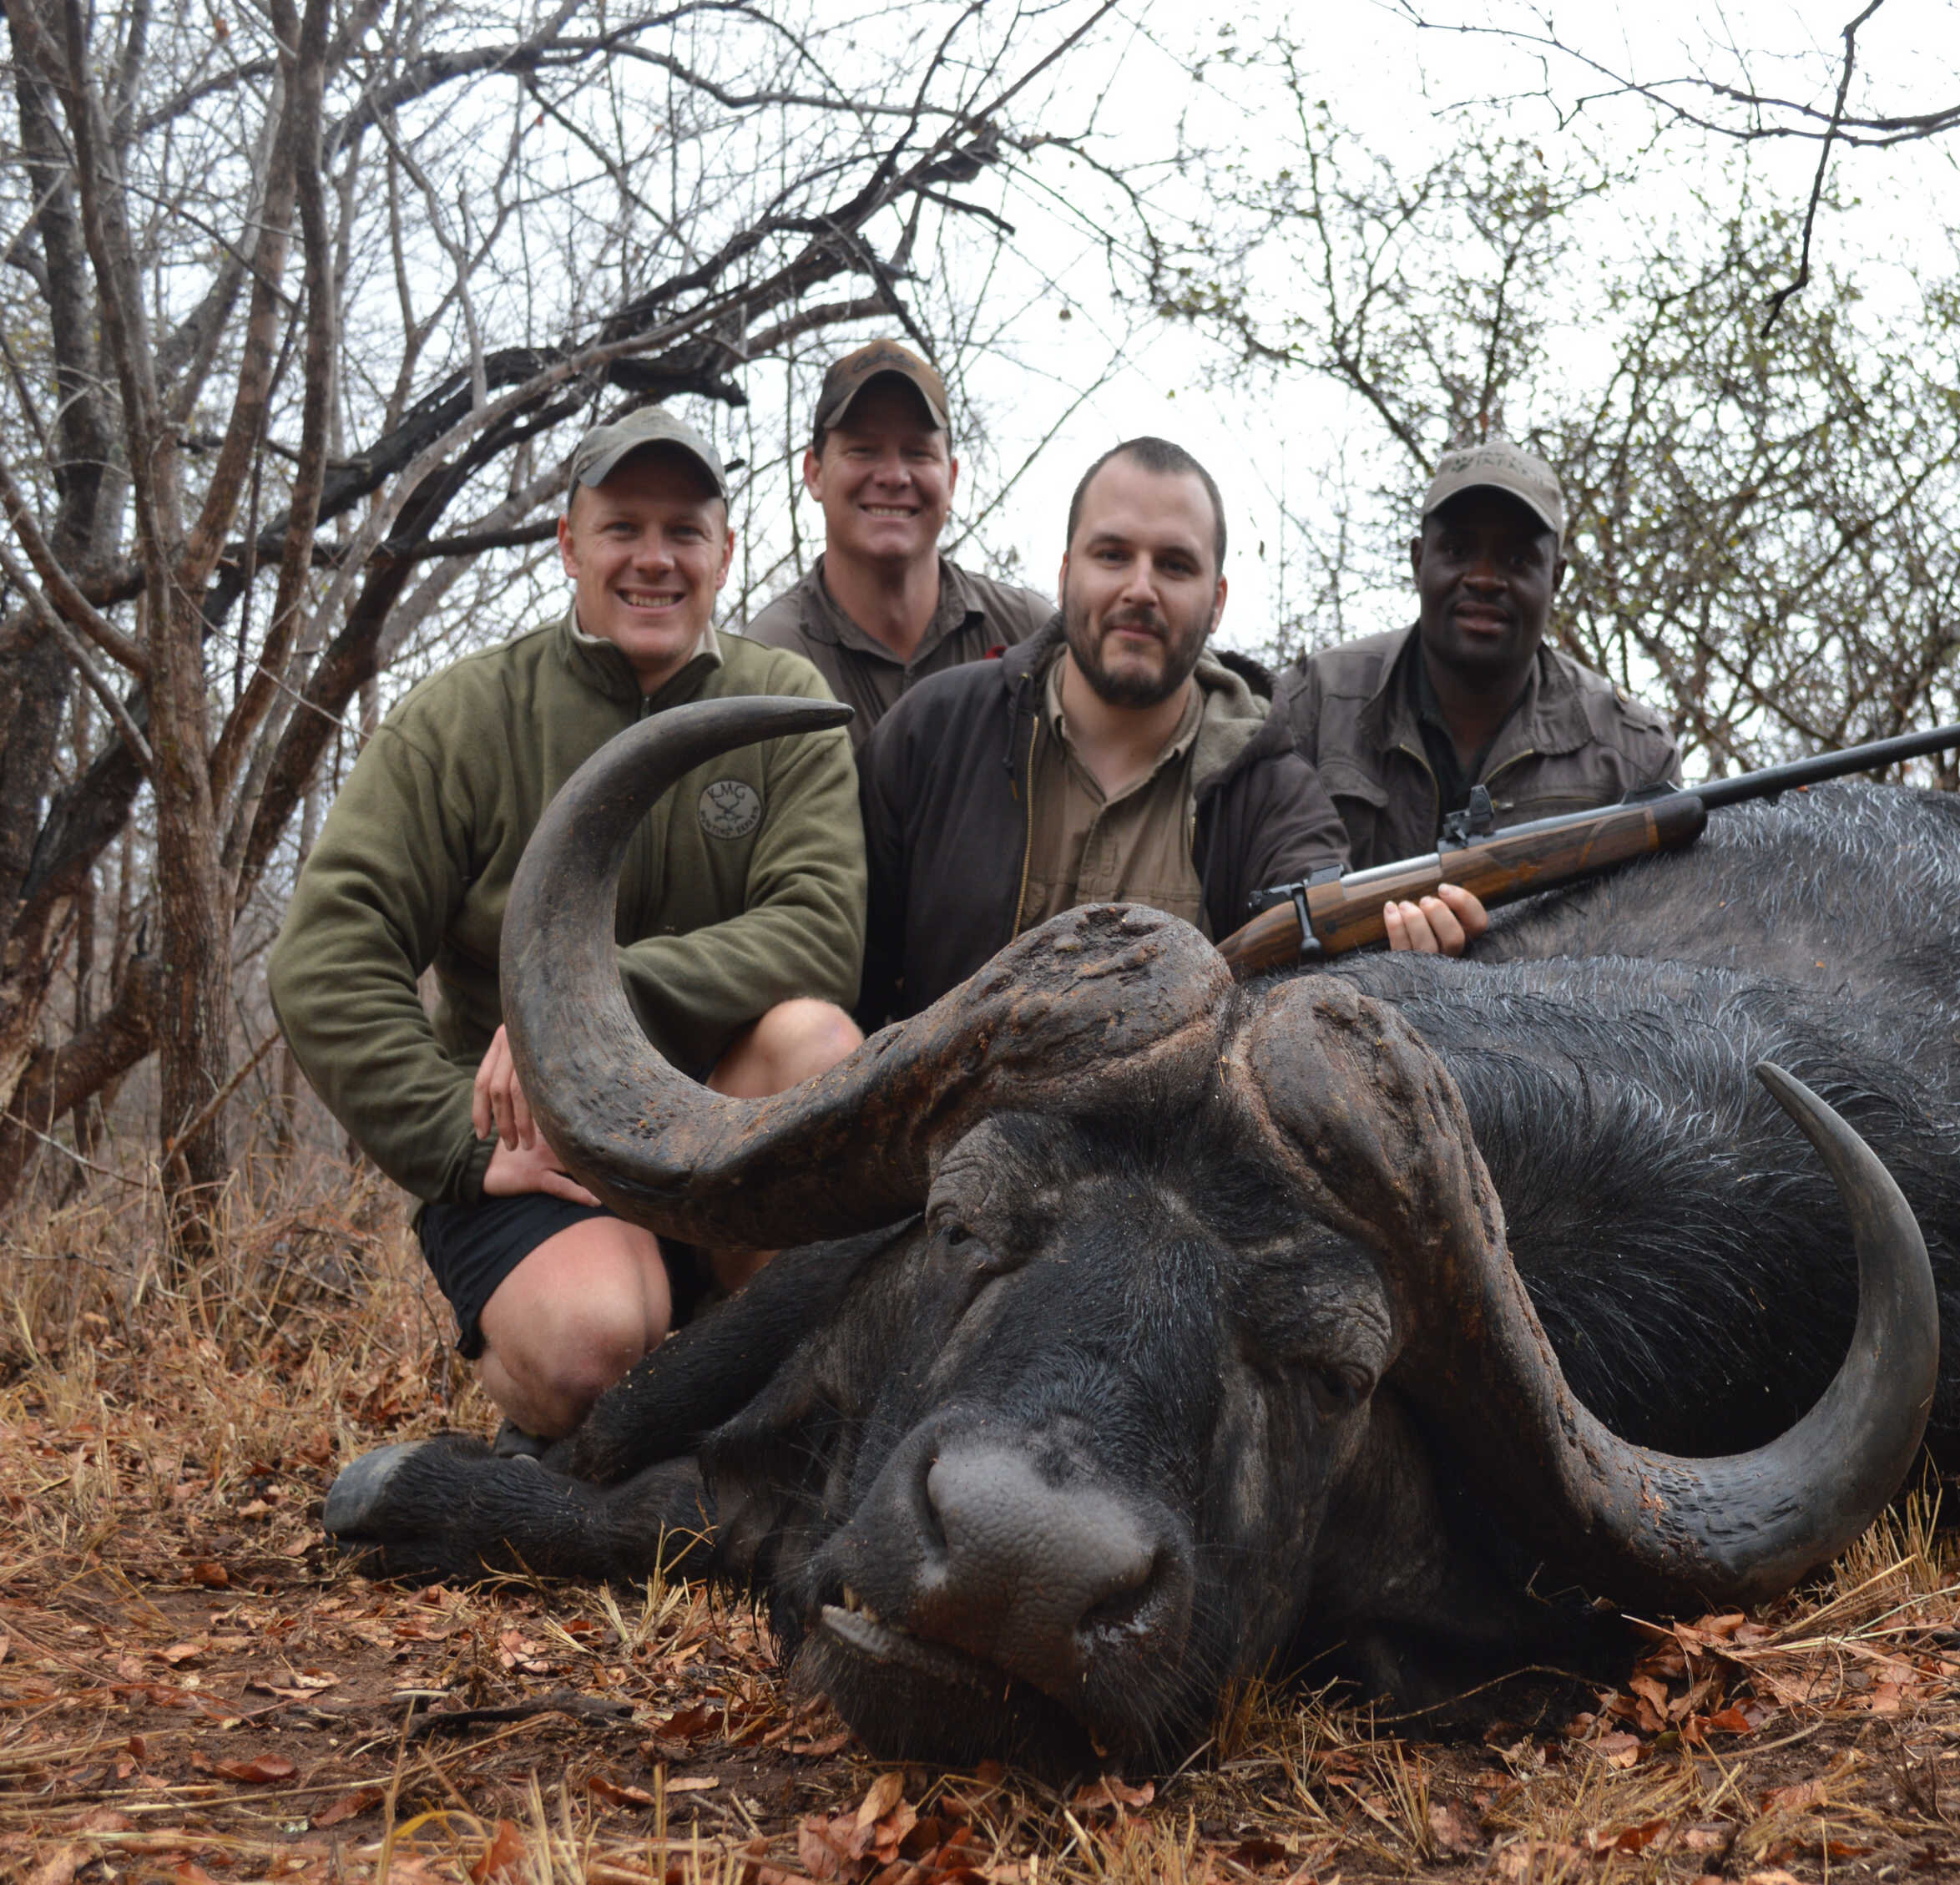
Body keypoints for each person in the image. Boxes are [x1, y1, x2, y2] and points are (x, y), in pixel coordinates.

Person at [270, 407, 867, 1444]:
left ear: (725, 553)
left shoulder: (786, 702)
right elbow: (327, 957)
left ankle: (755, 1402)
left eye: (684, 531)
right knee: (594, 1351)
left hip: (707, 1127)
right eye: (621, 527)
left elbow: (818, 930)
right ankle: (602, 1382)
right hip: (537, 1149)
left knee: (817, 1041)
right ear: (569, 546)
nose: (654, 559)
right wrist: (457, 1139)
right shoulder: (462, 717)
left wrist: (594, 998)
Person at [856, 436, 1484, 1027]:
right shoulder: (933, 731)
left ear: (1217, 601)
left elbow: (1320, 999)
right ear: (1066, 572)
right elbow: (853, 987)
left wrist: (1407, 967)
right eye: (1113, 556)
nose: (1141, 589)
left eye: (1176, 566)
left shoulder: (1274, 795)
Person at [1274, 439, 1680, 869]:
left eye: (1518, 559)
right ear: (1417, 560)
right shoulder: (1311, 706)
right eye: (1456, 551)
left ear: (1556, 578)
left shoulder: (1634, 757)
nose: (1484, 579)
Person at [742, 338, 1053, 740]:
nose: (893, 475)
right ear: (814, 472)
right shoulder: (769, 659)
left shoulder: (1025, 632)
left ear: (952, 478)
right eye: (863, 450)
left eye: (918, 453)